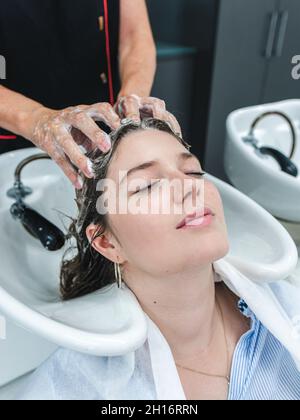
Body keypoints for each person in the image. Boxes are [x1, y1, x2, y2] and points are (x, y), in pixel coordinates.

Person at [16, 118, 300, 400]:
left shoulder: (287, 310)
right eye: (147, 186)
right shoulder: (73, 387)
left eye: (193, 172)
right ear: (107, 242)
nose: (189, 187)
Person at [0, 0, 181, 189]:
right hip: (14, 134)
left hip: (102, 129)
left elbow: (134, 36)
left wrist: (132, 99)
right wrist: (37, 119)